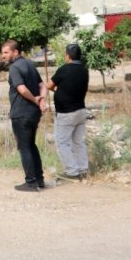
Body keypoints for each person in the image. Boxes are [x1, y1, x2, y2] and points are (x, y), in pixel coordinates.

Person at [2, 39, 48, 192]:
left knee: (24, 147)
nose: (3, 56)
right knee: (31, 145)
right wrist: (41, 100)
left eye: (6, 52)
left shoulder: (14, 67)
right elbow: (42, 85)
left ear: (15, 52)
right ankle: (40, 180)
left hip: (21, 113)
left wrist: (36, 99)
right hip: (33, 113)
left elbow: (21, 89)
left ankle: (31, 182)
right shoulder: (29, 64)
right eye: (2, 53)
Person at [47, 43, 90, 180]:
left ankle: (72, 172)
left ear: (67, 56)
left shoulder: (64, 69)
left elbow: (49, 85)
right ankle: (83, 169)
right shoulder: (84, 70)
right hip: (81, 111)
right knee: (79, 142)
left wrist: (57, 91)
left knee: (62, 142)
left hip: (66, 112)